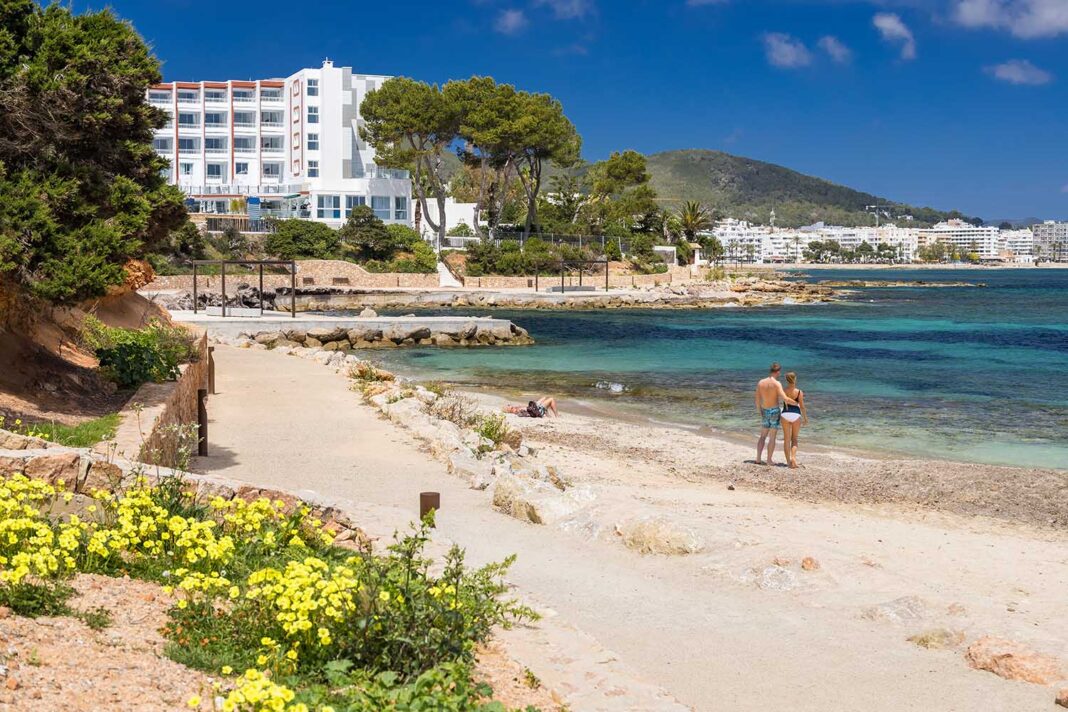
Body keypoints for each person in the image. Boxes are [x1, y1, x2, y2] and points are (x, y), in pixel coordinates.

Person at [754, 363, 797, 466]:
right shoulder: (777, 384)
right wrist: (796, 403)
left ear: (770, 370)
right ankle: (769, 460)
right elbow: (785, 398)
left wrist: (759, 410)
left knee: (762, 436)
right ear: (778, 372)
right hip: (774, 411)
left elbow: (757, 399)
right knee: (772, 437)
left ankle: (758, 458)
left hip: (764, 410)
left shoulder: (761, 382)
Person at [779, 372, 808, 469]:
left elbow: (784, 401)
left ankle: (788, 462)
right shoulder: (799, 392)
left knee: (786, 439)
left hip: (785, 414)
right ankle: (793, 458)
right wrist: (805, 418)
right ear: (795, 379)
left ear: (786, 380)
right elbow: (802, 407)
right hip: (796, 415)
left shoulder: (783, 390)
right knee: (794, 439)